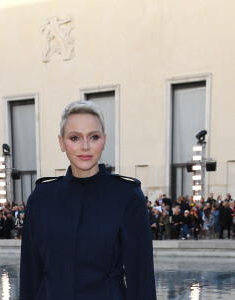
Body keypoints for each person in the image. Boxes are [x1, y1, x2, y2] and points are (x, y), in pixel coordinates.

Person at [20, 100, 156, 300]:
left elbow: (141, 279)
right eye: (75, 138)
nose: (85, 146)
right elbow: (29, 277)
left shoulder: (127, 196)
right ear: (61, 142)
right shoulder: (40, 199)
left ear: (104, 140)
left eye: (93, 137)